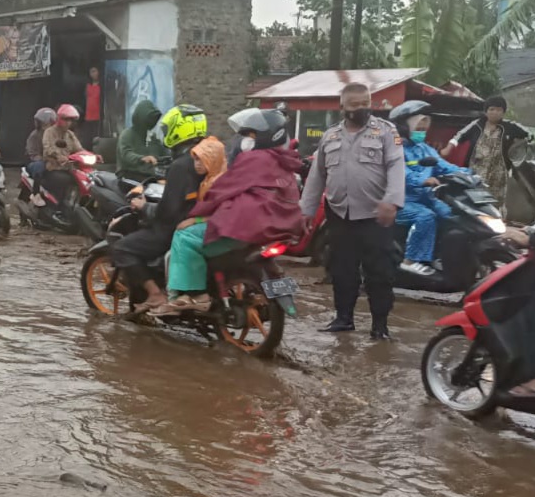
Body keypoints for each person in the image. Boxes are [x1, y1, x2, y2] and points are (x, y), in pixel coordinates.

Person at [153, 108, 302, 315]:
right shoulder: (286, 161)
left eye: (251, 136)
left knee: (184, 236)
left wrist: (195, 217)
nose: (245, 140)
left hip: (249, 228)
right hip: (277, 229)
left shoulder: (254, 160)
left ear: (266, 137)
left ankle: (194, 295)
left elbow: (220, 192)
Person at [300, 82, 405, 340]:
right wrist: (306, 210)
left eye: (365, 103)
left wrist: (391, 201)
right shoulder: (331, 136)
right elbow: (317, 176)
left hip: (375, 215)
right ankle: (343, 318)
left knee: (379, 273)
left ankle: (379, 326)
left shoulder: (386, 132)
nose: (361, 108)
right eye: (355, 104)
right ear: (342, 107)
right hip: (339, 214)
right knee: (342, 270)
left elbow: (396, 166)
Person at [109, 104, 210, 312]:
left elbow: (168, 212)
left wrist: (145, 207)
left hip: (175, 228)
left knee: (122, 248)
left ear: (180, 129)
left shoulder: (181, 165)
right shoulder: (210, 157)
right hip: (203, 221)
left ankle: (155, 295)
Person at [390, 100, 469, 277]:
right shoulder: (394, 149)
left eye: (425, 128)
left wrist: (469, 174)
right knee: (425, 217)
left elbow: (445, 166)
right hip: (400, 201)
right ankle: (410, 261)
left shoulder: (425, 149)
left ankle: (435, 255)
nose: (422, 132)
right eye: (419, 128)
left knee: (451, 215)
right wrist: (422, 180)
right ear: (404, 127)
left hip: (426, 198)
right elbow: (401, 173)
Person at [443, 95, 511, 218]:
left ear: (503, 112)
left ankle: (498, 226)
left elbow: (525, 139)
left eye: (498, 110)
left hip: (499, 173)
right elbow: (459, 135)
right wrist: (448, 148)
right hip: (478, 170)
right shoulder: (477, 125)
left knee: (497, 202)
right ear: (486, 111)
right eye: (491, 109)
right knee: (477, 199)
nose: (495, 112)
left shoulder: (509, 128)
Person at [40, 104, 85, 205]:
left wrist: (91, 155)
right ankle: (55, 208)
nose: (68, 123)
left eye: (70, 120)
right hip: (53, 168)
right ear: (59, 118)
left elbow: (79, 149)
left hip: (69, 169)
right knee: (63, 180)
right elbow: (47, 149)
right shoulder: (49, 132)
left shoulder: (70, 135)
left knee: (85, 180)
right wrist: (58, 156)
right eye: (66, 119)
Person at [116, 99, 168, 183]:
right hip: (128, 175)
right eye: (149, 119)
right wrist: (142, 158)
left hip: (149, 175)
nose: (151, 122)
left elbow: (162, 153)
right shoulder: (127, 134)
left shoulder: (152, 137)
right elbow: (126, 155)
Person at [25, 107, 56, 187]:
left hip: (54, 161)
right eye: (43, 123)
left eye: (49, 123)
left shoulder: (57, 135)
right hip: (37, 162)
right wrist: (46, 160)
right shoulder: (34, 136)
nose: (46, 126)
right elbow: (33, 155)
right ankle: (36, 193)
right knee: (39, 167)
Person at [83, 66, 102, 147]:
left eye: (95, 71)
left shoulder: (102, 85)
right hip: (88, 114)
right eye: (91, 72)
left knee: (96, 136)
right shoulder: (87, 85)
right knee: (88, 137)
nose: (93, 74)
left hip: (98, 115)